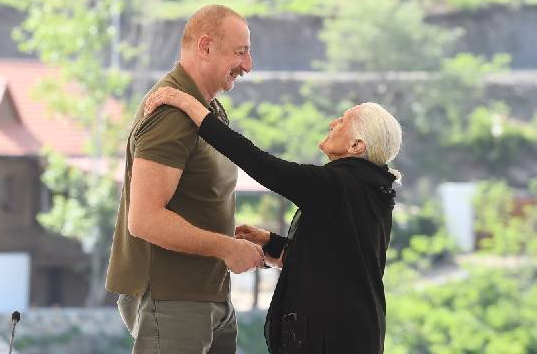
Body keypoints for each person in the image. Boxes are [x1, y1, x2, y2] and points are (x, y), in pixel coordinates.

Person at [144, 87, 403, 354]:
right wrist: (271, 243)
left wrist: (188, 104)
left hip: (333, 335)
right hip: (355, 332)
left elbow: (260, 164)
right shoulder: (370, 190)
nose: (333, 123)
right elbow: (333, 262)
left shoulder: (338, 184)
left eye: (343, 120)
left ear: (356, 146)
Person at [105, 5, 264, 354]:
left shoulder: (207, 109)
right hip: (174, 300)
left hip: (207, 297)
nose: (248, 65)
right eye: (240, 52)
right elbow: (144, 219)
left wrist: (232, 239)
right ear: (205, 47)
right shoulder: (171, 114)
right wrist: (226, 248)